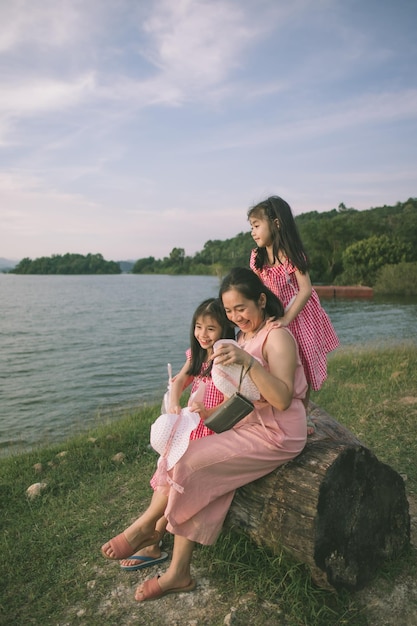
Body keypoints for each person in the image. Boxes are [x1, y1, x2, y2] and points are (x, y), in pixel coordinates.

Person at [101, 267, 308, 602]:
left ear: (260, 299)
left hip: (277, 433)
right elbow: (242, 394)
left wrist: (248, 363)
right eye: (228, 311)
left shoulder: (277, 336)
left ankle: (147, 527)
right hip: (250, 423)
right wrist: (210, 413)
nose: (235, 317)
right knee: (196, 465)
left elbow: (283, 399)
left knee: (193, 466)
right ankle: (179, 572)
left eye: (241, 308)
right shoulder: (243, 337)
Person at [119, 297, 235, 571]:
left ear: (224, 330)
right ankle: (153, 537)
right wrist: (174, 402)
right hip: (194, 425)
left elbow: (234, 399)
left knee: (178, 478)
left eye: (210, 328)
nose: (203, 335)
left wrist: (208, 412)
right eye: (198, 327)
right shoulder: (197, 356)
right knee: (166, 474)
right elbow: (181, 380)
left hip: (215, 427)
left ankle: (152, 537)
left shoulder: (226, 358)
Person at [248, 195, 340, 433]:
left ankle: (304, 414)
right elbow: (259, 292)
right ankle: (276, 409)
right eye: (251, 227)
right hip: (276, 316)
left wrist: (288, 318)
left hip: (300, 316)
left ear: (276, 223)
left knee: (304, 365)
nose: (253, 232)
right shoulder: (258, 259)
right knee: (275, 363)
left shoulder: (290, 255)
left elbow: (306, 289)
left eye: (257, 226)